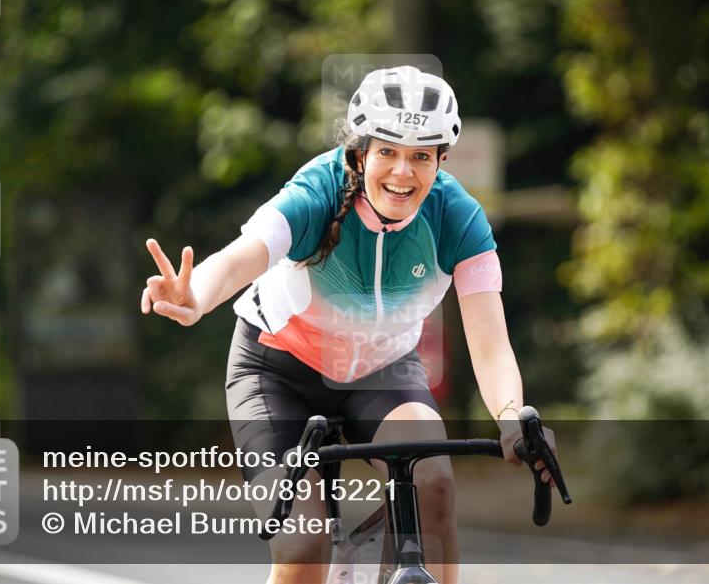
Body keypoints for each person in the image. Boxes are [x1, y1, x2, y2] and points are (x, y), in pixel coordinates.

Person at [142, 66, 554, 584]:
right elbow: (240, 258)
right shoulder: (318, 191)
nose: (403, 173)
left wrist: (512, 417)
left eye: (421, 156)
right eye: (388, 152)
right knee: (303, 544)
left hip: (381, 371)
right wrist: (195, 295)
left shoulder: (459, 219)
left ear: (441, 161)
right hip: (276, 372)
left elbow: (491, 346)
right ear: (360, 152)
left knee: (435, 487)